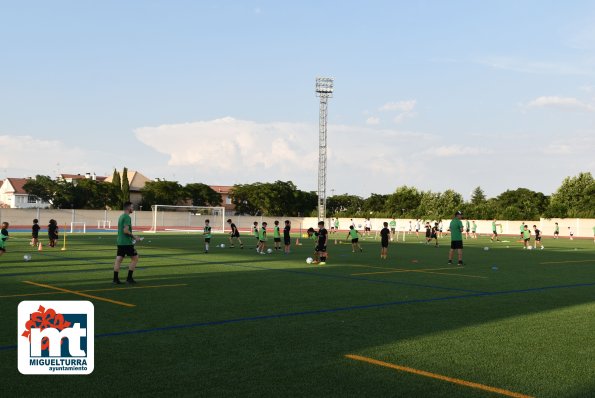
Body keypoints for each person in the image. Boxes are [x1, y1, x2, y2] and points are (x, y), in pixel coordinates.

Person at [113, 202, 139, 285]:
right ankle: (129, 278)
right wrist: (134, 237)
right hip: (126, 243)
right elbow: (125, 231)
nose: (133, 208)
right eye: (132, 207)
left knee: (118, 260)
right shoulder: (127, 217)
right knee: (135, 258)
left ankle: (115, 279)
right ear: (128, 208)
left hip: (120, 242)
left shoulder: (121, 216)